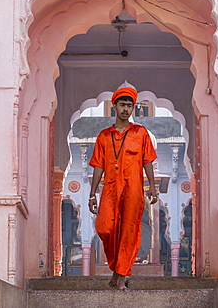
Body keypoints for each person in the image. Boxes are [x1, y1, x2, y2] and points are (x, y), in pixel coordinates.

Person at [88, 87, 158, 290]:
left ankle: (119, 278)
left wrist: (152, 187)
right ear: (115, 106)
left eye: (129, 106)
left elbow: (147, 161)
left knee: (129, 232)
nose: (126, 109)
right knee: (104, 227)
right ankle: (117, 270)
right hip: (110, 189)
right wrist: (92, 194)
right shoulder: (103, 136)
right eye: (122, 105)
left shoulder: (140, 133)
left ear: (133, 108)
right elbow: (98, 166)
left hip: (134, 190)